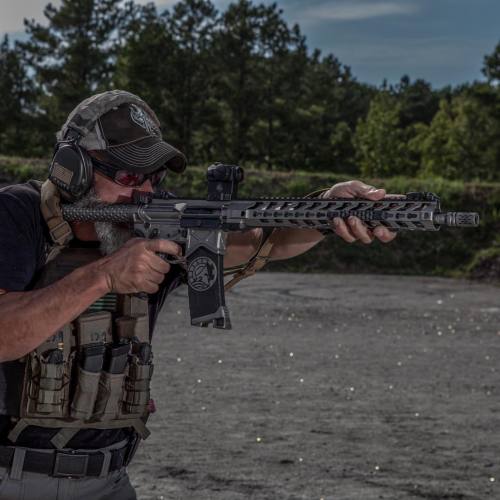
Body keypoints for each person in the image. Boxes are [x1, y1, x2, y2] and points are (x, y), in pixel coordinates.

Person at [0, 90, 396, 499]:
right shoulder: (18, 216)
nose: (146, 193)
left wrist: (330, 212)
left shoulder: (155, 226)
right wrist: (104, 277)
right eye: (130, 177)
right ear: (73, 170)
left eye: (156, 177)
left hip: (109, 481)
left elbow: (268, 240)